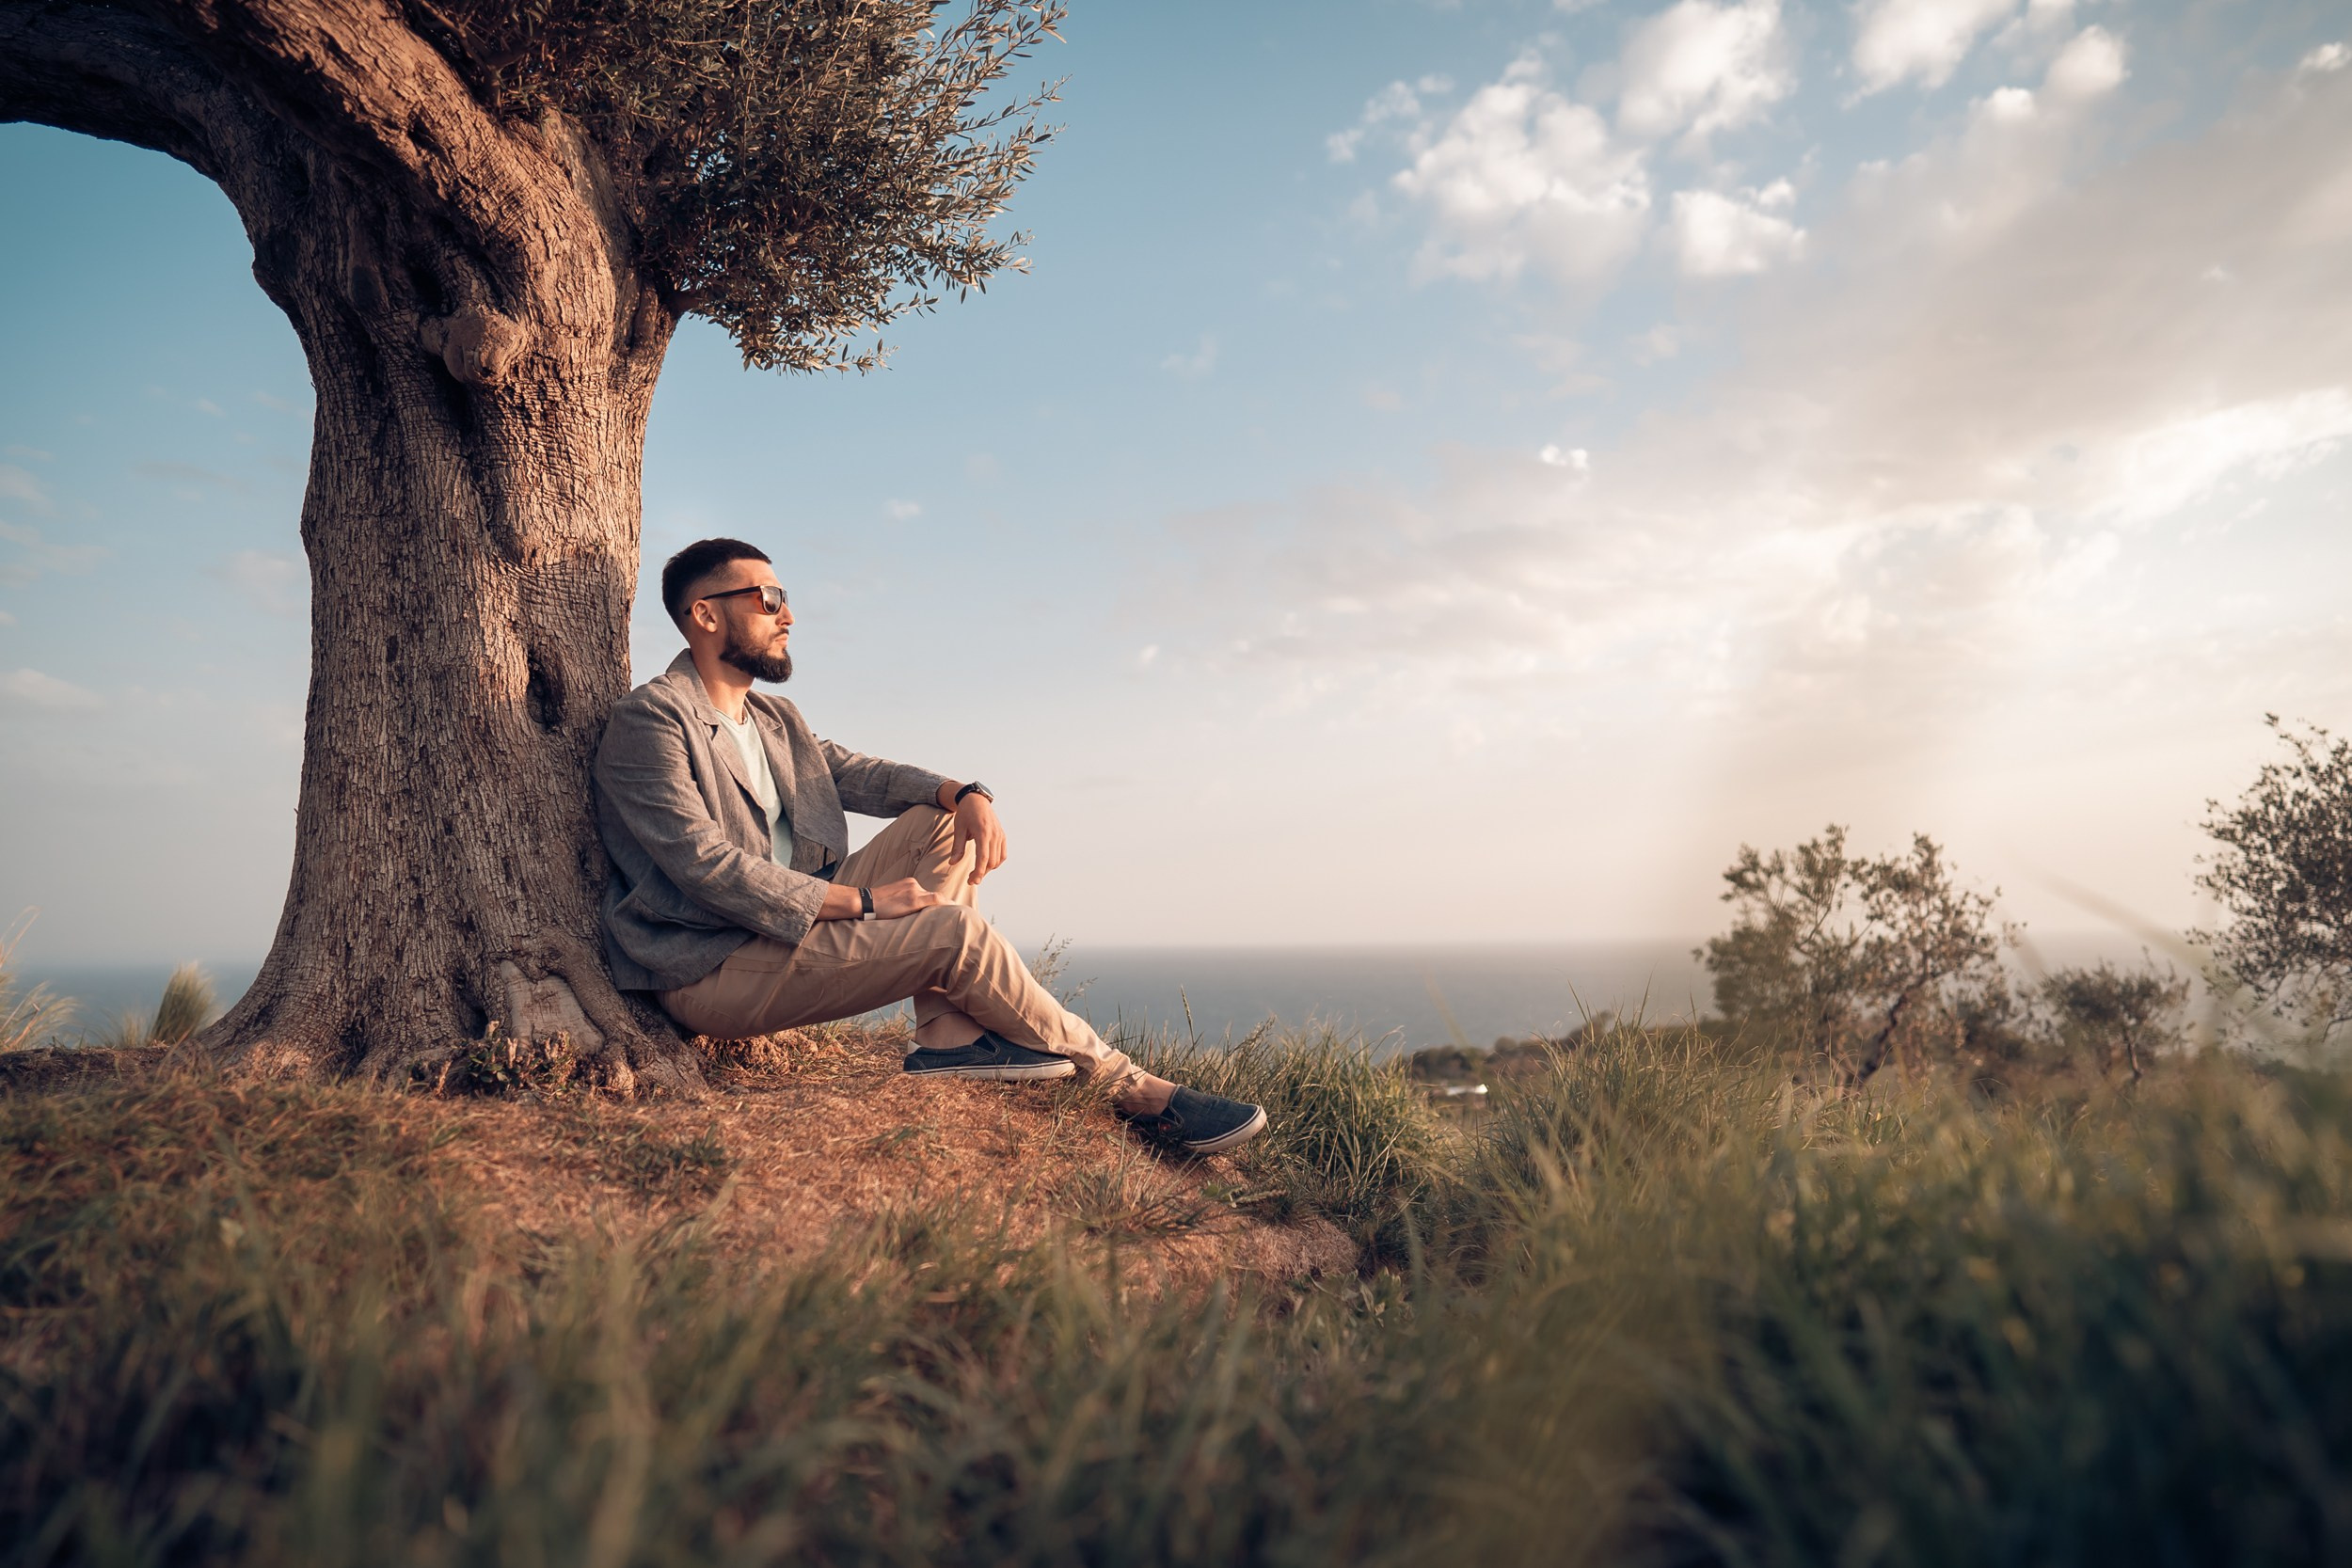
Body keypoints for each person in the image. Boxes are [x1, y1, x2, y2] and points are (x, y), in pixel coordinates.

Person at [593, 537, 1267, 1155]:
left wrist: (964, 791)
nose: (788, 614)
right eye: (768, 598)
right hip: (710, 963)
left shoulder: (771, 717)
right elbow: (703, 867)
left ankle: (947, 1034)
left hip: (786, 936)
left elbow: (861, 773)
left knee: (942, 821)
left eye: (785, 598)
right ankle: (1138, 1093)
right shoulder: (652, 720)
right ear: (706, 615)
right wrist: (860, 901)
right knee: (952, 934)